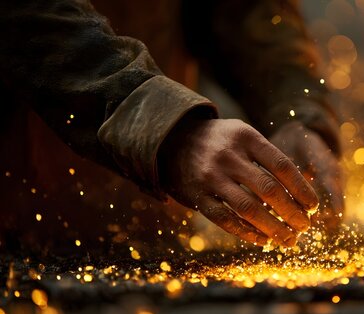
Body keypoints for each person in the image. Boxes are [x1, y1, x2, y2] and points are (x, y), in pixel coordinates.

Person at [0, 0, 343, 252]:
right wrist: (169, 131)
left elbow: (245, 10)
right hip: (15, 226)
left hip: (153, 235)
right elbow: (25, 17)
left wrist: (296, 111)